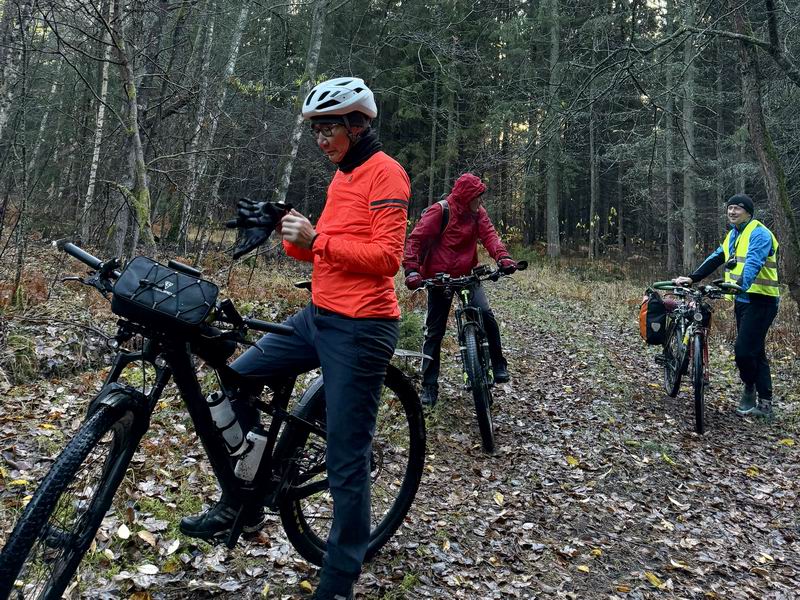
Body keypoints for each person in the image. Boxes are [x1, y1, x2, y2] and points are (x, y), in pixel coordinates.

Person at [180, 77, 411, 600]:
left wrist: (319, 239)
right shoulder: (341, 176)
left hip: (363, 328)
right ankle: (243, 501)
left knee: (348, 459)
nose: (320, 139)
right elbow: (318, 253)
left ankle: (338, 582)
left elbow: (387, 260)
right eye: (314, 131)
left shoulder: (386, 174)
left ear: (358, 124)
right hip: (318, 315)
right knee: (234, 381)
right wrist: (288, 229)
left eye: (327, 128)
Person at [402, 173, 518, 407]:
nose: (481, 203)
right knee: (434, 332)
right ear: (467, 198)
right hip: (439, 279)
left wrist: (503, 256)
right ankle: (429, 385)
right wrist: (412, 270)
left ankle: (498, 363)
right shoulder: (440, 211)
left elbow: (490, 236)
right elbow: (416, 239)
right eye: (478, 197)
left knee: (485, 314)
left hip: (467, 275)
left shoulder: (477, 214)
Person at [672, 193, 780, 418]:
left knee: (743, 350)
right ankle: (765, 403)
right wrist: (693, 278)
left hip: (762, 300)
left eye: (737, 208)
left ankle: (750, 388)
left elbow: (753, 262)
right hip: (742, 300)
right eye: (730, 208)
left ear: (749, 212)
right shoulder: (733, 235)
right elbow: (716, 257)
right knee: (755, 349)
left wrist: (739, 285)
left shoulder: (759, 233)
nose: (732, 212)